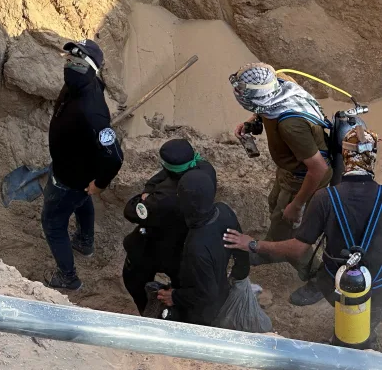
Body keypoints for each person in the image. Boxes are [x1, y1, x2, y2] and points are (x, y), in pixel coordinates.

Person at [224, 126, 382, 345]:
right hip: (378, 286)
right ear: (373, 157)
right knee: (365, 324)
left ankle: (345, 336)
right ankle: (361, 338)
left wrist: (253, 244)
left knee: (345, 317)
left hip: (333, 282)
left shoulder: (325, 198)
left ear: (345, 156)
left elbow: (299, 249)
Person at [230, 63, 331, 305]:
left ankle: (318, 276)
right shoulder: (278, 82)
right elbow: (265, 106)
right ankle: (273, 241)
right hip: (289, 171)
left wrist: (297, 205)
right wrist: (253, 122)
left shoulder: (291, 125)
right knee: (275, 203)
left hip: (302, 178)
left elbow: (318, 168)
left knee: (288, 224)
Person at [42, 39, 124, 291]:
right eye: (68, 59)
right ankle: (84, 242)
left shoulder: (94, 113)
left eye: (78, 61)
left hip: (69, 179)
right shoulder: (77, 86)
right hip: (72, 171)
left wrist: (100, 183)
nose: (70, 65)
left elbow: (114, 157)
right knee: (82, 200)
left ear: (90, 67)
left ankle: (68, 278)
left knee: (53, 224)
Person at [122, 139, 217, 314]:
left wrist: (145, 195)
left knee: (134, 279)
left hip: (156, 245)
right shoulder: (205, 170)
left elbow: (130, 211)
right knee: (184, 284)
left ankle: (148, 310)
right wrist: (151, 190)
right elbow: (163, 175)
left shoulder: (162, 199)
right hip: (187, 245)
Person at [157, 171, 250, 326]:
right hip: (223, 288)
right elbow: (240, 248)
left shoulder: (197, 247)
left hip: (203, 311)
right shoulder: (224, 211)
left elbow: (208, 295)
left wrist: (175, 297)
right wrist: (237, 275)